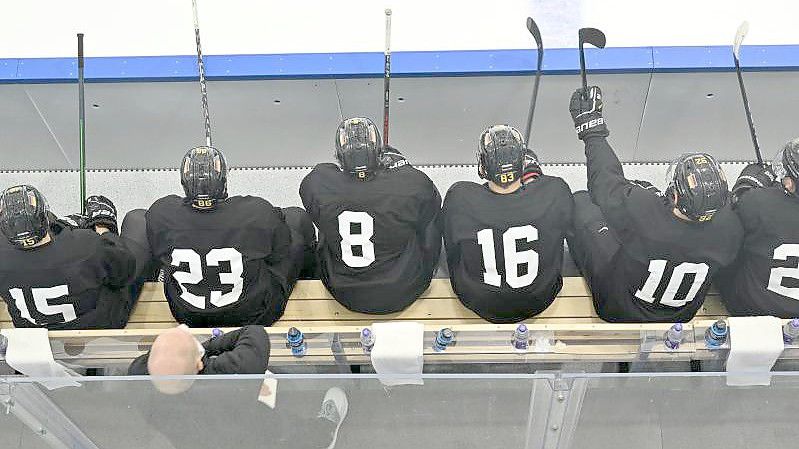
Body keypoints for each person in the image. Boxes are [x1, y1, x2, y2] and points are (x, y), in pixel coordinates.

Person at [567, 86, 743, 322]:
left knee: (581, 203)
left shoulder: (642, 212)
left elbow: (604, 185)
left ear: (677, 197)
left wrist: (592, 129)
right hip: (682, 313)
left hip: (617, 307)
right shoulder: (731, 228)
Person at [141, 146, 315, 327]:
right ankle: (313, 279)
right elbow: (280, 251)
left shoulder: (162, 212)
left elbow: (157, 249)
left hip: (187, 314)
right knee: (295, 222)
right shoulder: (256, 211)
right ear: (223, 179)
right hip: (254, 313)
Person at [299, 117, 442, 313]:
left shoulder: (315, 183)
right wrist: (401, 168)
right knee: (426, 213)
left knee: (326, 218)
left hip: (343, 291)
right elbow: (431, 208)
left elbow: (321, 196)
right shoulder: (412, 184)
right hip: (403, 288)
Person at [129, 325, 349, 449]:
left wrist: (189, 355)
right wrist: (205, 348)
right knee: (286, 430)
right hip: (248, 430)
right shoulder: (228, 375)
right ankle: (323, 433)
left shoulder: (136, 377)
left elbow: (163, 360)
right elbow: (254, 334)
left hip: (194, 440)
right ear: (199, 364)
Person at [441, 125, 573, 323]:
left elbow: (451, 245)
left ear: (483, 166)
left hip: (477, 300)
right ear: (522, 163)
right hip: (539, 299)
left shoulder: (459, 197)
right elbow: (563, 230)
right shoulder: (556, 190)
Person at [0, 186, 148, 329]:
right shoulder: (87, 245)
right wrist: (104, 227)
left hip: (32, 331)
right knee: (138, 219)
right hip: (99, 323)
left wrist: (62, 227)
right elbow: (123, 272)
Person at [718, 139, 799, 317]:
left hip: (753, 308)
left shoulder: (760, 203)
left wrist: (749, 181)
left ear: (790, 184)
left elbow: (737, 203)